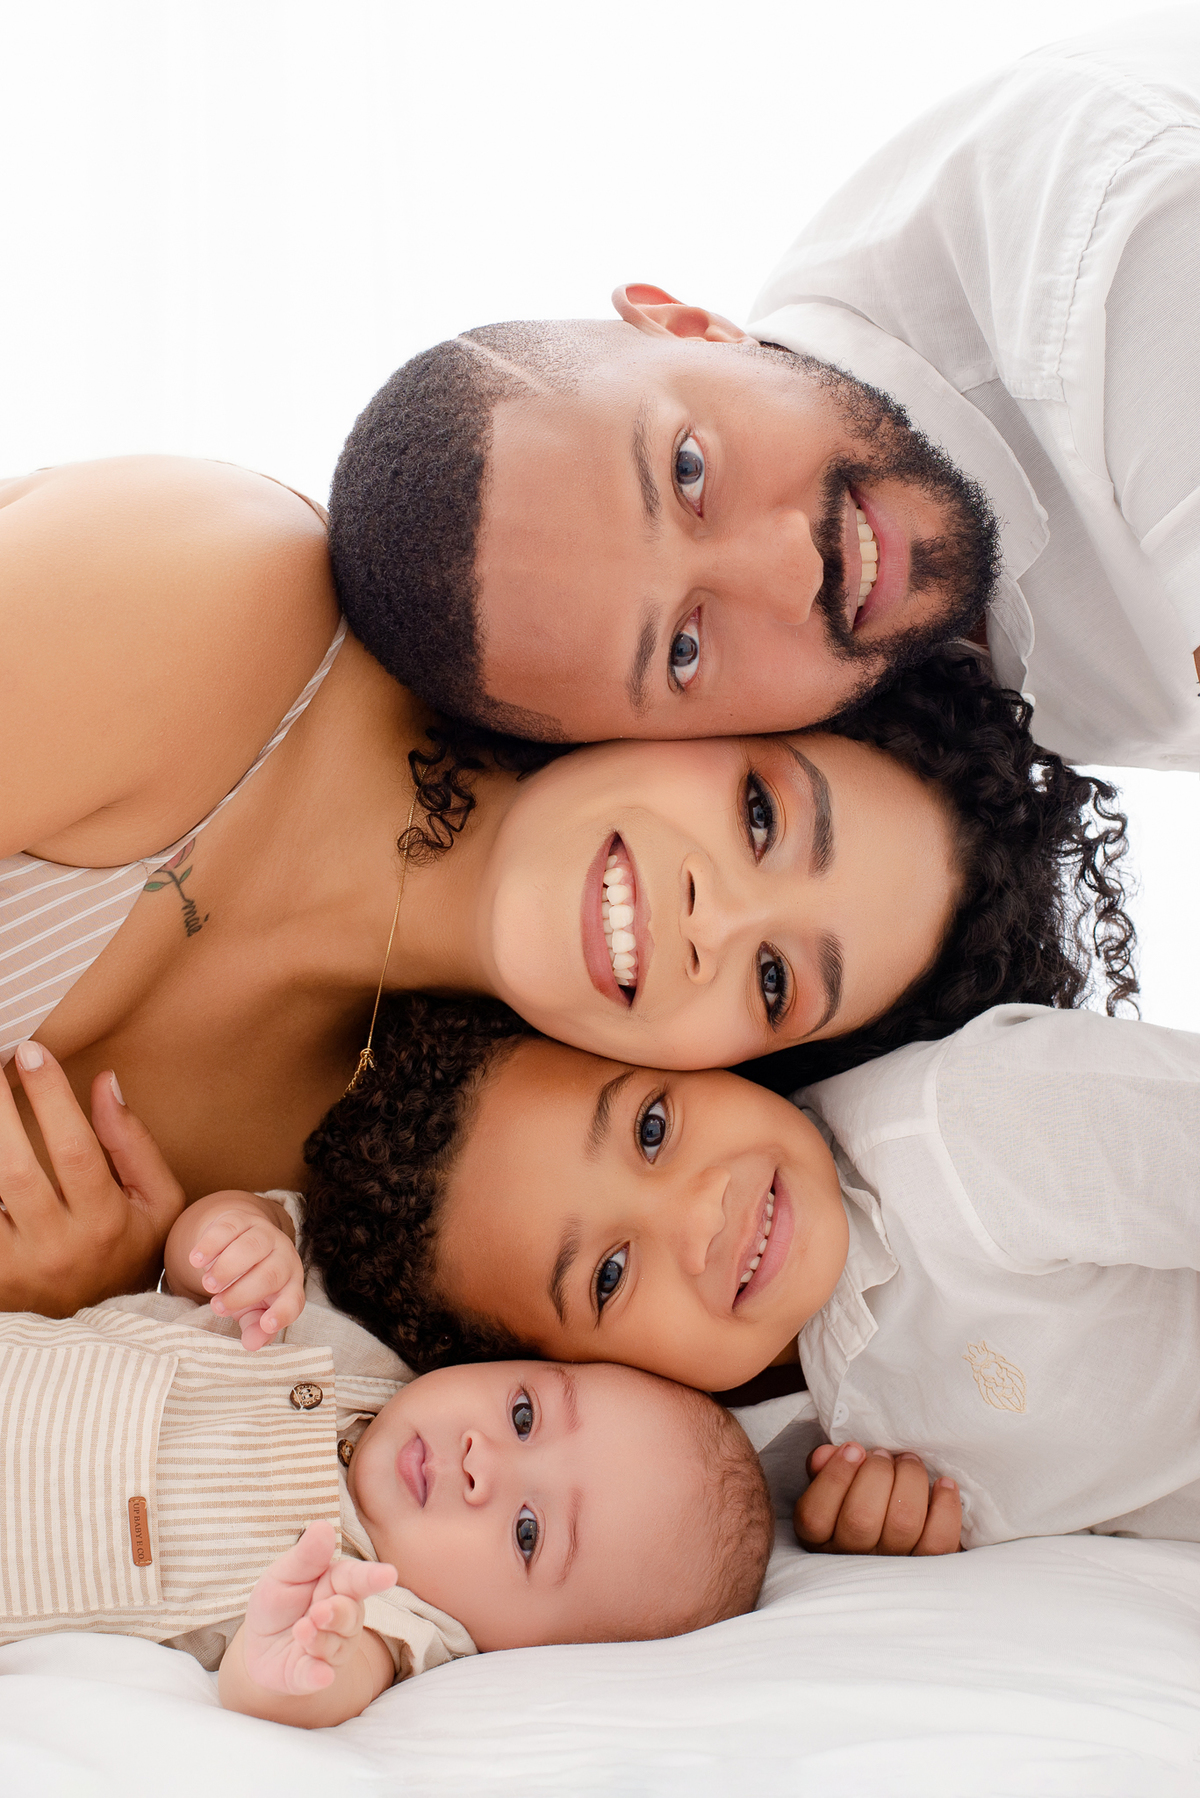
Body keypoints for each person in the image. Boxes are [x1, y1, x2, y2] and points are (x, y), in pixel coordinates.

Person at [1, 608, 1136, 1313]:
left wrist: (80, 1300)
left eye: (776, 981)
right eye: (760, 814)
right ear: (706, 701)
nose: (713, 921)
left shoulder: (345, 1183)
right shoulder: (235, 618)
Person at [329, 17, 1200, 769]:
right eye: (682, 650)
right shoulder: (926, 709)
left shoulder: (1117, 238)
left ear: (690, 325)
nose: (792, 571)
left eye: (688, 471)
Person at [284, 992, 1200, 1552]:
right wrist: (897, 1537)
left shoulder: (974, 1128)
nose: (702, 1216)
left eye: (651, 1128)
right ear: (566, 1372)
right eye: (609, 1275)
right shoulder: (732, 1478)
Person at [0, 1239, 774, 1731]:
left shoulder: (386, 1614)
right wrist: (240, 1238)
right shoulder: (363, 1331)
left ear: (520, 1647)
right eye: (524, 1415)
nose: (481, 1463)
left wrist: (290, 1663)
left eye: (527, 1533)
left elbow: (312, 1687)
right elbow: (211, 1250)